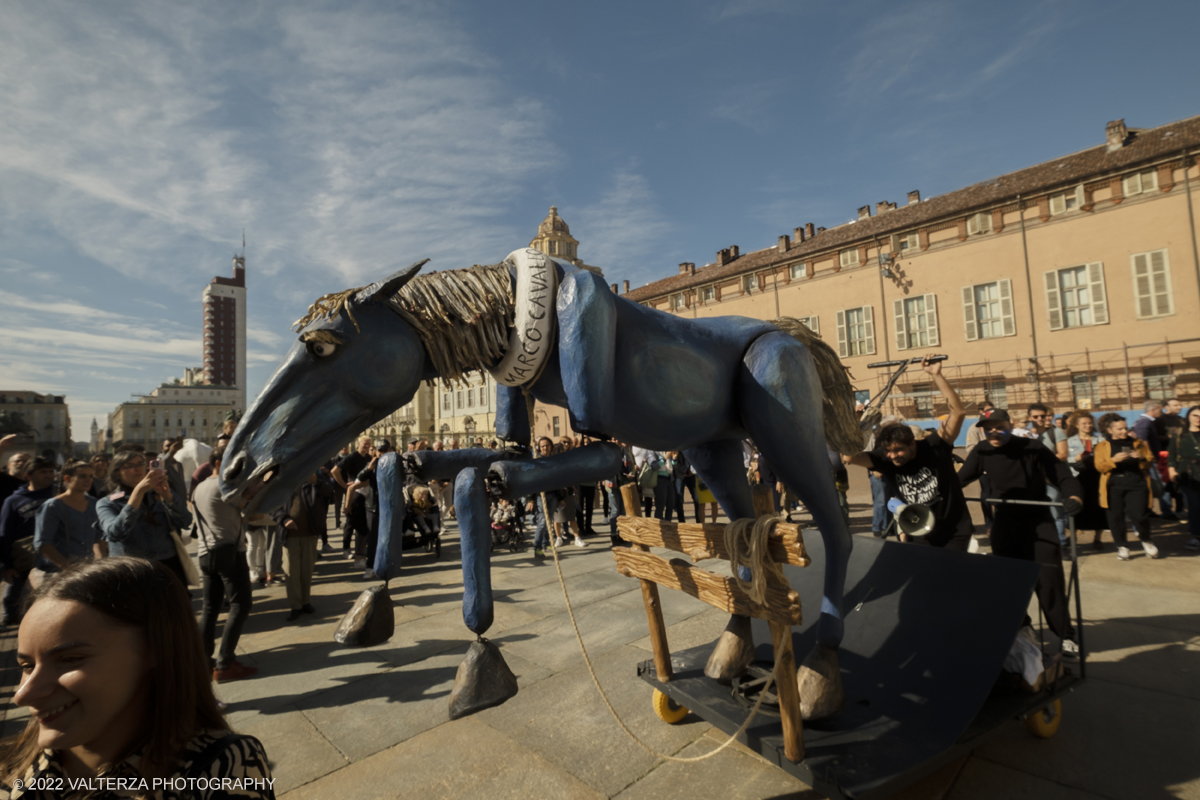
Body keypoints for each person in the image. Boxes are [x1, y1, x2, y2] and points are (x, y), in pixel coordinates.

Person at [1, 557, 274, 796]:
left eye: (69, 660)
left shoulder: (217, 769)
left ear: (156, 649)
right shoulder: (12, 760)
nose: (23, 695)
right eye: (27, 666)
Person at [958, 409, 1084, 656]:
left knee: (1049, 584)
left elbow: (1062, 474)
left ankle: (1066, 635)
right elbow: (959, 480)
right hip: (1005, 523)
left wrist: (1074, 495)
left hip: (1039, 522)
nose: (994, 432)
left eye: (999, 427)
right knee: (1010, 585)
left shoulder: (1032, 447)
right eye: (988, 428)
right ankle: (1022, 631)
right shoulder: (981, 450)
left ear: (1010, 424)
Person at [846, 355, 971, 549]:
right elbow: (849, 456)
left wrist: (936, 374)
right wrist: (856, 421)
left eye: (898, 450)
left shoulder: (934, 447)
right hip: (917, 531)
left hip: (954, 532)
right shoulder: (884, 458)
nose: (893, 455)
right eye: (888, 451)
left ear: (912, 444)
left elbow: (958, 413)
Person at [192, 445, 257, 682]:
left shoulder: (199, 487)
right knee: (240, 605)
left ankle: (203, 661)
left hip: (205, 552)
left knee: (209, 609)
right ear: (219, 464)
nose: (237, 469)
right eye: (234, 464)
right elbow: (250, 506)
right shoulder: (224, 486)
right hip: (228, 551)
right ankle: (225, 664)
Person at [96, 451, 193, 590]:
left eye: (140, 464)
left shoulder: (159, 493)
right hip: (130, 569)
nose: (137, 469)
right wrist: (138, 493)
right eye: (129, 465)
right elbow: (115, 534)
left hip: (168, 566)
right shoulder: (107, 502)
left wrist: (169, 497)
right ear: (117, 473)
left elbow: (186, 522)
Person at [0, 459, 58, 625]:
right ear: (28, 476)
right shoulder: (14, 500)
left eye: (50, 471)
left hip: (54, 553)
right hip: (24, 555)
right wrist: (8, 564)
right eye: (43, 472)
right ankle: (10, 619)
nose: (48, 475)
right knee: (15, 589)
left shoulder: (58, 494)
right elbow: (5, 532)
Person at [32, 461, 105, 588]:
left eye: (90, 476)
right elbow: (43, 543)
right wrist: (68, 567)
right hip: (57, 572)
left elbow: (99, 538)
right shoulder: (53, 506)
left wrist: (99, 561)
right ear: (67, 478)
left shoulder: (93, 503)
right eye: (82, 476)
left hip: (85, 571)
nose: (88, 480)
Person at [1095, 413, 1157, 561]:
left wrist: (1141, 458)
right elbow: (1099, 466)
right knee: (1115, 517)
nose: (1124, 431)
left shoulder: (1137, 443)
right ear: (1110, 430)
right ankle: (1122, 546)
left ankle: (1146, 539)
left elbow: (1149, 460)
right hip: (1113, 485)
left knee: (1139, 515)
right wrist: (1113, 460)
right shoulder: (1102, 446)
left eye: (1125, 428)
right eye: (1119, 429)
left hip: (1136, 483)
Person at [273, 472, 331, 621]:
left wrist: (316, 482)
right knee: (291, 572)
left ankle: (305, 602)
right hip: (290, 535)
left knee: (307, 570)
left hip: (310, 533)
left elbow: (329, 493)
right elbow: (273, 506)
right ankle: (295, 606)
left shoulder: (313, 476)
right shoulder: (281, 481)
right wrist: (284, 519)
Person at [1064, 411, 1108, 550]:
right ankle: (1074, 535)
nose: (1088, 426)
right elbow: (1064, 459)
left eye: (1090, 423)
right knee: (1078, 507)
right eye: (1084, 423)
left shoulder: (1100, 440)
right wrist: (1075, 458)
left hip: (1096, 477)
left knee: (1098, 507)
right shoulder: (1069, 441)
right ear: (1076, 425)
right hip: (1078, 477)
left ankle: (1097, 538)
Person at [332, 437, 372, 560]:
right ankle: (346, 549)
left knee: (362, 522)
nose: (367, 446)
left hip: (366, 493)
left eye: (369, 444)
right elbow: (335, 471)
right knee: (350, 522)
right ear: (358, 444)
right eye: (365, 444)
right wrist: (344, 485)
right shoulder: (352, 457)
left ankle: (360, 548)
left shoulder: (369, 458)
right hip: (354, 493)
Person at [1167, 406, 1200, 551]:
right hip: (1187, 473)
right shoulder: (1179, 433)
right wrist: (1171, 469)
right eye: (1195, 415)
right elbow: (1172, 453)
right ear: (1188, 416)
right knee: (1194, 505)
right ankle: (1196, 536)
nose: (1198, 418)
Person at [1156, 398, 1185, 520]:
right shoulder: (1160, 420)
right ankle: (1167, 512)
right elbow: (1155, 436)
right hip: (1164, 456)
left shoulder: (1182, 420)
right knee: (1166, 484)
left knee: (1181, 483)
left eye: (1180, 405)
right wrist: (1171, 438)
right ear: (1166, 407)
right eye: (1176, 405)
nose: (1179, 407)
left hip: (1181, 456)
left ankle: (1180, 510)